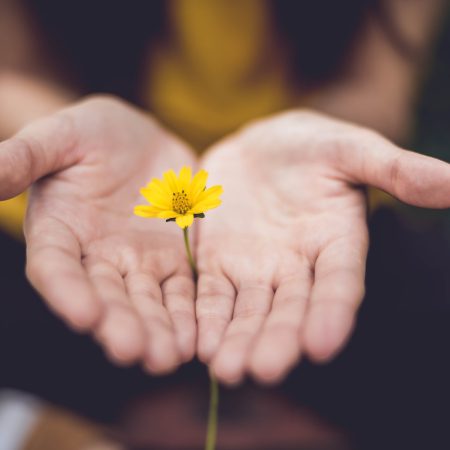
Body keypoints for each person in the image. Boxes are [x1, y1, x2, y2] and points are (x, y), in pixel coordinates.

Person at [0, 0, 449, 391]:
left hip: (307, 208)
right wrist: (62, 128)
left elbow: (376, 88)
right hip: (91, 208)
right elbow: (12, 73)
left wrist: (325, 135)